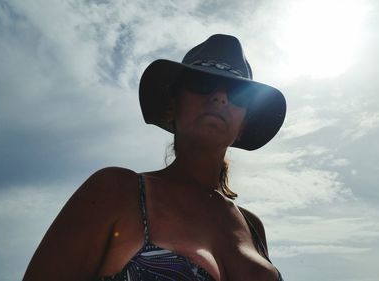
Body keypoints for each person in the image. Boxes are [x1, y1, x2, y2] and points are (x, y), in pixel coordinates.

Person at [23, 34, 286, 281]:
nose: (219, 97)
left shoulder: (253, 227)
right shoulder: (115, 191)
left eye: (238, 93)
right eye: (202, 83)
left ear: (243, 126)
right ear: (172, 105)